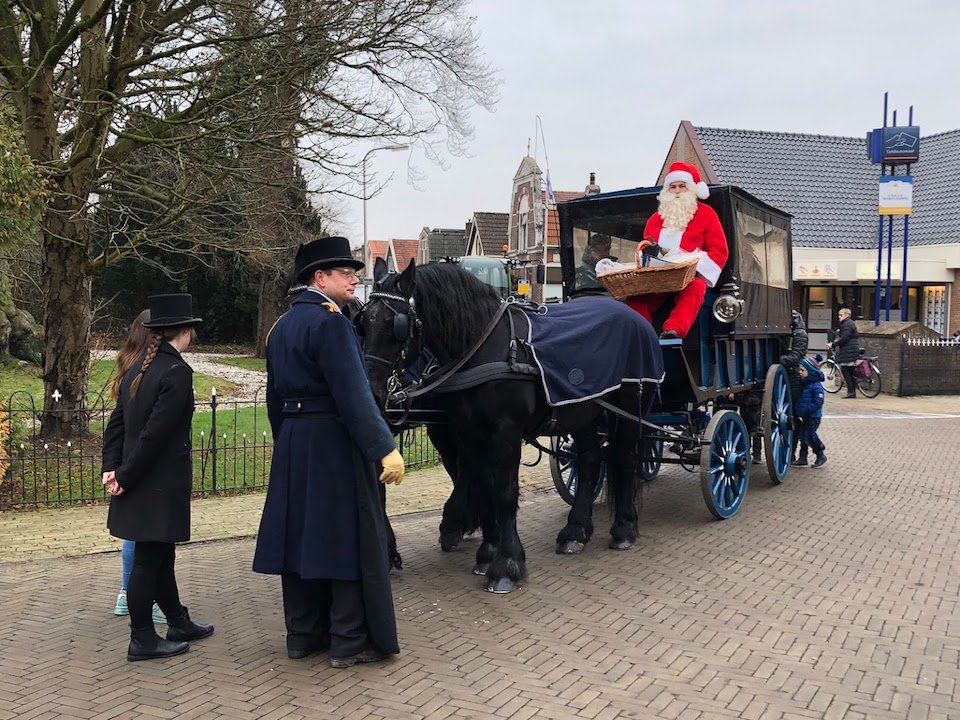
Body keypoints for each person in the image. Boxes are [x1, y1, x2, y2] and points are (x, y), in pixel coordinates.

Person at [252, 235, 404, 669]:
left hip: (295, 444)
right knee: (345, 540)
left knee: (300, 540)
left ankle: (302, 636)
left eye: (354, 273)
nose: (354, 279)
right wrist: (384, 448)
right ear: (319, 278)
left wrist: (289, 445)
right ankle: (348, 641)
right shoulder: (332, 322)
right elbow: (354, 395)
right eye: (344, 273)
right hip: (334, 443)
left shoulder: (280, 327)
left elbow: (274, 400)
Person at [102, 294, 214, 661]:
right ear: (187, 330)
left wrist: (113, 469)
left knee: (161, 557)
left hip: (139, 477)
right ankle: (142, 639)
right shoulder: (176, 371)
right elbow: (156, 434)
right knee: (150, 561)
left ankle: (178, 621)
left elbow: (116, 425)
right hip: (156, 481)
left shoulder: (138, 367)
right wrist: (126, 475)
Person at [107, 309, 165, 626]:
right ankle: (136, 595)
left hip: (128, 457)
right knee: (142, 534)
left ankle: (127, 593)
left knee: (133, 532)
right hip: (139, 460)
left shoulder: (129, 366)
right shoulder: (145, 372)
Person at [625, 162, 729, 339]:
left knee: (695, 288)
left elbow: (719, 250)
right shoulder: (655, 219)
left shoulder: (706, 214)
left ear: (692, 189)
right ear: (667, 191)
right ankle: (643, 336)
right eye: (673, 187)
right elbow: (646, 246)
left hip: (690, 276)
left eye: (682, 186)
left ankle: (674, 331)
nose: (678, 191)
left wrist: (692, 262)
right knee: (635, 299)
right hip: (659, 276)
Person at [780, 310, 809, 461]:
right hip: (781, 375)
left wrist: (778, 361)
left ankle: (793, 452)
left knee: (793, 415)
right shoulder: (784, 333)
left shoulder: (800, 335)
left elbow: (796, 355)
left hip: (792, 377)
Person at [791, 356, 827, 468]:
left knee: (809, 435)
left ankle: (820, 452)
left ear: (810, 371)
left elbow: (818, 402)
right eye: (799, 370)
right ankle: (803, 458)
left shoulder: (816, 386)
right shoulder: (804, 384)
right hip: (805, 416)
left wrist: (806, 411)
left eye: (803, 370)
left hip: (813, 417)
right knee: (803, 437)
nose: (800, 372)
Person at [830, 307, 860, 398]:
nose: (839, 317)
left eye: (841, 315)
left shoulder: (847, 325)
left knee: (845, 369)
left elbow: (844, 338)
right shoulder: (849, 324)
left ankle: (851, 392)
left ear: (846, 315)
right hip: (850, 349)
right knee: (849, 370)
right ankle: (852, 390)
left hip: (848, 350)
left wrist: (833, 344)